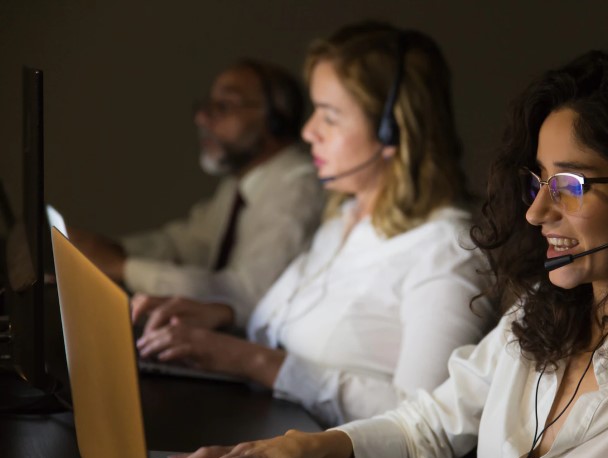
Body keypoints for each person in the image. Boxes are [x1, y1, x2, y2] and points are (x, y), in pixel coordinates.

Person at [162, 50, 608, 458]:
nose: (536, 214)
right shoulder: (546, 311)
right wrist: (298, 450)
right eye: (538, 181)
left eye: (573, 185)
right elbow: (427, 422)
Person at [132, 22, 493, 434]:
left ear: (391, 129)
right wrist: (221, 317)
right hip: (267, 448)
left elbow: (427, 424)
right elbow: (291, 339)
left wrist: (254, 361)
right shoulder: (343, 219)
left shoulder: (447, 250)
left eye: (330, 116)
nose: (307, 132)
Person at [69, 60, 325, 326]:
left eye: (224, 106)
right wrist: (102, 250)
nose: (201, 118)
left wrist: (123, 267)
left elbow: (244, 296)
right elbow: (187, 244)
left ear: (275, 120)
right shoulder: (239, 186)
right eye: (206, 106)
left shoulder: (298, 189)